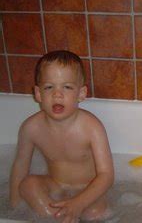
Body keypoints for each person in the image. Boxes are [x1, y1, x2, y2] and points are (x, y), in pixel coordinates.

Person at [9, 50, 114, 222]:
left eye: (67, 87)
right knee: (27, 185)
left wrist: (79, 203)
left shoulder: (91, 127)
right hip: (55, 185)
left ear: (81, 93)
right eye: (49, 87)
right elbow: (20, 167)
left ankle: (67, 215)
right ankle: (58, 218)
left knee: (95, 214)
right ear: (38, 93)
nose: (57, 94)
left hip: (87, 189)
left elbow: (106, 175)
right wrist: (13, 209)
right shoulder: (31, 128)